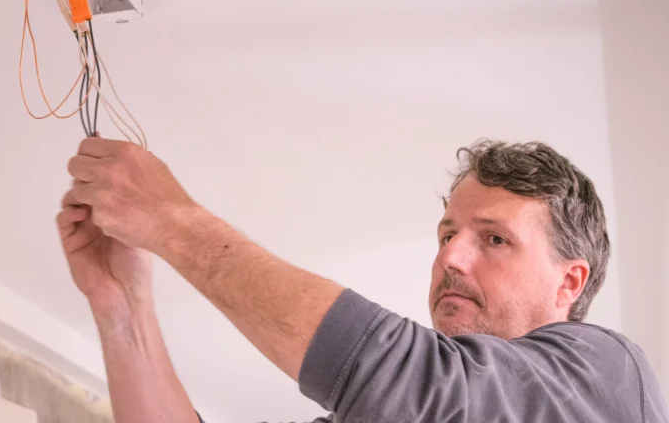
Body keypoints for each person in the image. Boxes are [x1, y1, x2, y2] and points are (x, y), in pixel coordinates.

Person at [57, 138, 668, 423]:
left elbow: (422, 385)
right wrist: (122, 307)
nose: (451, 257)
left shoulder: (610, 377)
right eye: (446, 235)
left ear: (569, 283)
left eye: (494, 239)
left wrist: (171, 220)